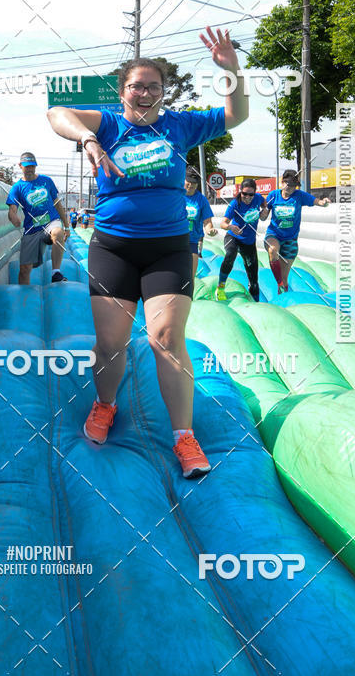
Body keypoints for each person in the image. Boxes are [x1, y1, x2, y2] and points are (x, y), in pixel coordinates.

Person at [47, 27, 248, 478]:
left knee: (165, 338)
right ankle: (105, 404)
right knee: (112, 344)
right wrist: (88, 139)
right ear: (123, 92)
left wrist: (231, 70)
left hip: (168, 249)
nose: (145, 92)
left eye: (153, 86)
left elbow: (235, 116)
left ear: (163, 93)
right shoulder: (108, 123)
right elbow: (56, 112)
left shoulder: (180, 124)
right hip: (113, 248)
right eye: (137, 85)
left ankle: (183, 436)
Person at [6, 152, 70, 285]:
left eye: (32, 166)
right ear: (20, 166)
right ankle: (24, 298)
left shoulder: (46, 181)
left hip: (51, 222)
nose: (29, 169)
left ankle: (55, 273)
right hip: (32, 228)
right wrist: (14, 217)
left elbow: (57, 204)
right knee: (25, 269)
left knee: (58, 233)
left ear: (35, 166)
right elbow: (12, 209)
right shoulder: (17, 188)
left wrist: (67, 226)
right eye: (26, 166)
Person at [265, 169, 330, 293]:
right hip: (274, 235)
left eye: (294, 185)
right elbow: (263, 216)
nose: (290, 187)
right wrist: (262, 213)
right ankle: (279, 283)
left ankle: (283, 296)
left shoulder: (299, 195)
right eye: (288, 184)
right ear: (282, 182)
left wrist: (323, 202)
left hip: (290, 239)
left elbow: (316, 201)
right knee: (273, 250)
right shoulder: (273, 195)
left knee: (285, 278)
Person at [215, 178, 268, 302]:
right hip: (233, 237)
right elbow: (223, 223)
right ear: (240, 192)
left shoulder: (258, 199)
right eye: (244, 194)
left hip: (249, 241)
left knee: (254, 277)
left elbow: (264, 204)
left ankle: (255, 301)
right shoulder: (235, 204)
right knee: (230, 255)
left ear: (255, 193)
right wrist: (231, 227)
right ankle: (220, 287)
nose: (248, 197)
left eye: (251, 194)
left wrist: (265, 211)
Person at [184, 167, 217, 284]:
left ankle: (188, 297)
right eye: (188, 182)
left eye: (194, 183)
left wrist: (210, 230)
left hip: (192, 241)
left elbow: (207, 222)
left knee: (190, 276)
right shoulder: (175, 195)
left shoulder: (201, 200)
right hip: (174, 239)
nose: (191, 185)